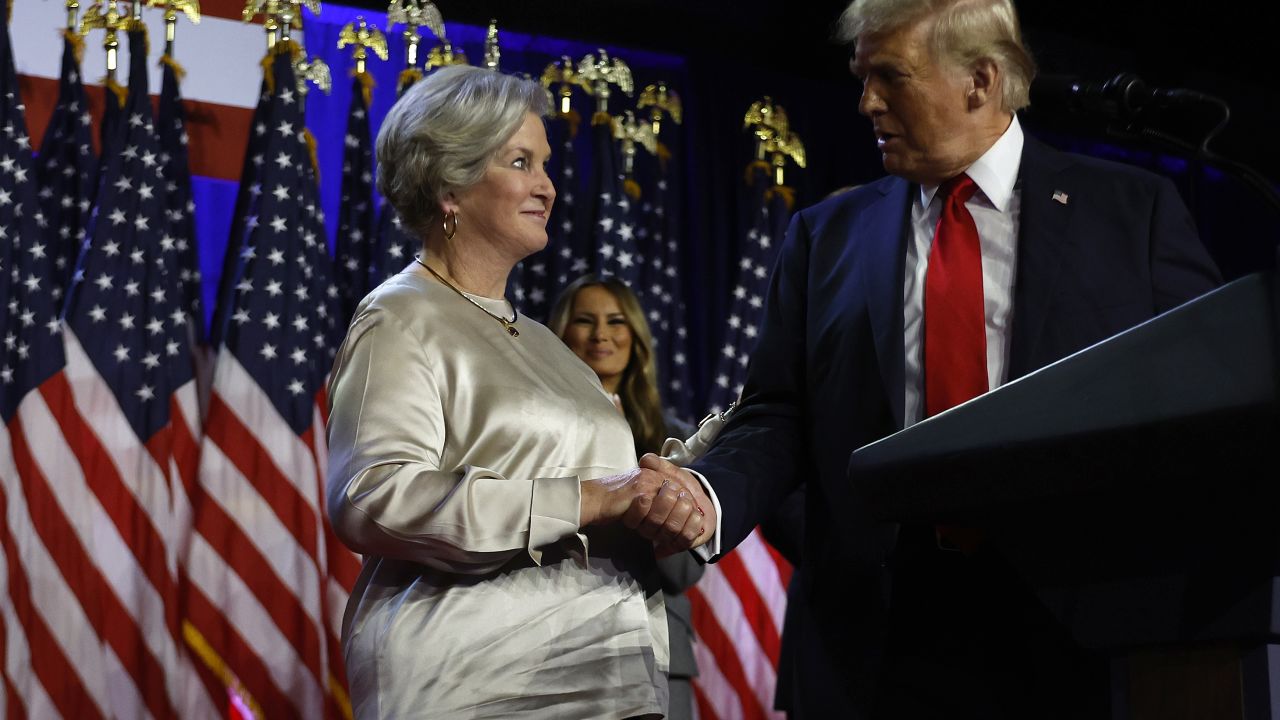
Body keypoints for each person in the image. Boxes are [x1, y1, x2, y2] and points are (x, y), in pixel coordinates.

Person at [641, 0, 1223, 717]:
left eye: (890, 76)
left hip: (1077, 632)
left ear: (980, 80)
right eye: (861, 77)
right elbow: (779, 412)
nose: (865, 102)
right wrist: (712, 492)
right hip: (875, 641)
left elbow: (1205, 404)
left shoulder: (1134, 213)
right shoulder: (826, 237)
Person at [325, 65, 714, 719]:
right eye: (521, 162)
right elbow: (371, 499)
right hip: (477, 683)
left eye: (546, 164)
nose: (548, 187)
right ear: (450, 184)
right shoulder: (399, 317)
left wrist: (660, 500)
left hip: (610, 678)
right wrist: (591, 498)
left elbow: (602, 505)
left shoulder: (548, 346)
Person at [548, 275, 705, 720]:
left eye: (616, 321)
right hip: (556, 645)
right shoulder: (533, 431)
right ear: (561, 334)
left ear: (635, 336)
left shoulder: (675, 439)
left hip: (657, 651)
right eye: (585, 320)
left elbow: (684, 571)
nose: (601, 334)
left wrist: (633, 472)